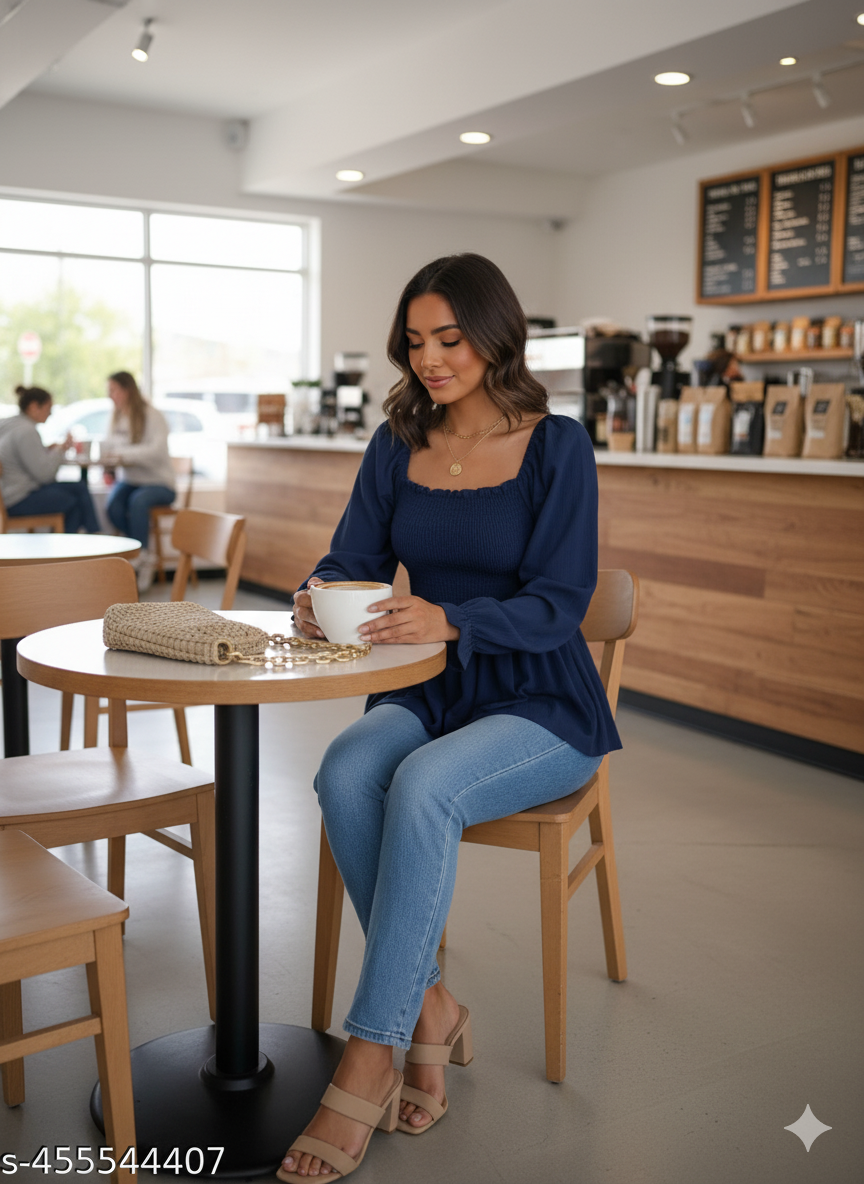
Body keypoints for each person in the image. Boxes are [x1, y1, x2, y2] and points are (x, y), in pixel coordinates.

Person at [283, 254, 621, 1181]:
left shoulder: (558, 446)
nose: (431, 358)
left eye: (451, 338)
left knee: (425, 787)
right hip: (429, 687)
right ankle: (432, 1009)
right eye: (416, 341)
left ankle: (371, 1051)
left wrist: (454, 616)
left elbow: (561, 600)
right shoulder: (397, 441)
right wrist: (319, 592)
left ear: (494, 333)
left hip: (540, 698)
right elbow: (349, 552)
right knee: (347, 769)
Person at [101, 371, 175, 592]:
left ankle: (141, 556)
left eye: (113, 390)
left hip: (159, 483)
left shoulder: (153, 416)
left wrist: (124, 454)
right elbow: (109, 446)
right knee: (113, 505)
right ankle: (142, 552)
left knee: (138, 502)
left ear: (127, 390)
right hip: (131, 480)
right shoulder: (115, 417)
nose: (110, 395)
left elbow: (156, 452)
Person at [0, 385, 100, 533]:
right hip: (18, 499)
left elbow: (24, 458)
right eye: (49, 408)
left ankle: (89, 538)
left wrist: (48, 450)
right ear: (34, 406)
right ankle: (88, 539)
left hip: (6, 495)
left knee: (78, 487)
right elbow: (45, 476)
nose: (50, 414)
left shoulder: (9, 424)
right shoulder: (27, 431)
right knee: (75, 502)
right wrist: (60, 450)